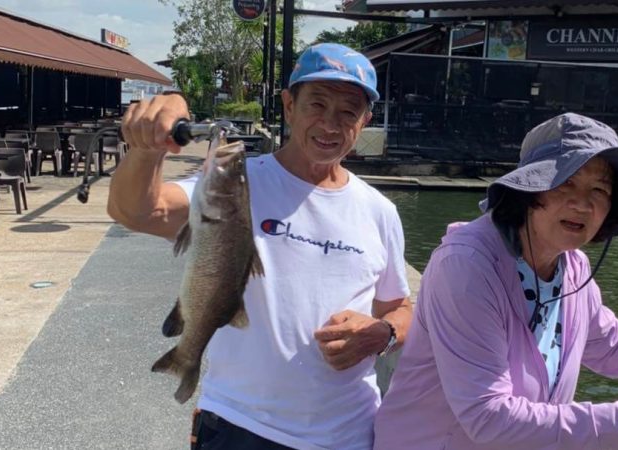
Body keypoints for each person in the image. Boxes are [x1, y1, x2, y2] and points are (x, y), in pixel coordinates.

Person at [373, 113, 618, 450]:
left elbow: (612, 343)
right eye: (564, 184)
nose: (583, 204)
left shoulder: (571, 267)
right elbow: (486, 416)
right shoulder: (468, 266)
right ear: (527, 190)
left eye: (599, 191)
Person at [107, 43, 412, 450]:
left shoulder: (380, 211)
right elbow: (138, 211)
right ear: (289, 105)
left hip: (349, 434)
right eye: (316, 105)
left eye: (348, 112)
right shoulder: (236, 182)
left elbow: (399, 307)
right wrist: (148, 149)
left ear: (365, 121)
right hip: (241, 425)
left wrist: (383, 332)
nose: (330, 124)